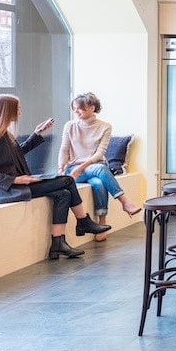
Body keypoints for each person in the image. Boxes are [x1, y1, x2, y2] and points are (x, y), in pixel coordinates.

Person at [0, 94, 111, 260]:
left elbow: (17, 154)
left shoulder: (4, 135)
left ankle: (58, 244)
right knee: (67, 180)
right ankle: (83, 221)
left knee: (64, 194)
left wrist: (36, 134)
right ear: (6, 111)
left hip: (16, 183)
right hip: (5, 189)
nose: (20, 113)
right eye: (17, 109)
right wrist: (14, 180)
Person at [57, 92, 141, 242]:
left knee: (98, 183)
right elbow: (64, 149)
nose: (76, 111)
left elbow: (99, 154)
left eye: (80, 108)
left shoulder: (104, 127)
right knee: (101, 170)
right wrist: (61, 169)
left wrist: (81, 167)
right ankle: (124, 201)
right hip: (74, 170)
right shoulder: (70, 126)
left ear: (92, 108)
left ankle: (102, 222)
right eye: (74, 108)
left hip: (92, 166)